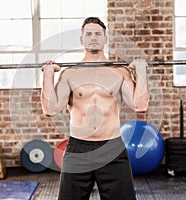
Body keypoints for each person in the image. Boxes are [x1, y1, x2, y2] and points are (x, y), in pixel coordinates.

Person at [41, 17, 149, 200]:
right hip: (78, 150)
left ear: (105, 39)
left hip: (112, 149)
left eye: (98, 33)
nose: (93, 37)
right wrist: (48, 76)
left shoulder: (120, 72)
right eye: (88, 34)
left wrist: (141, 71)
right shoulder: (70, 74)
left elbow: (141, 105)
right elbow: (50, 109)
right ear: (81, 39)